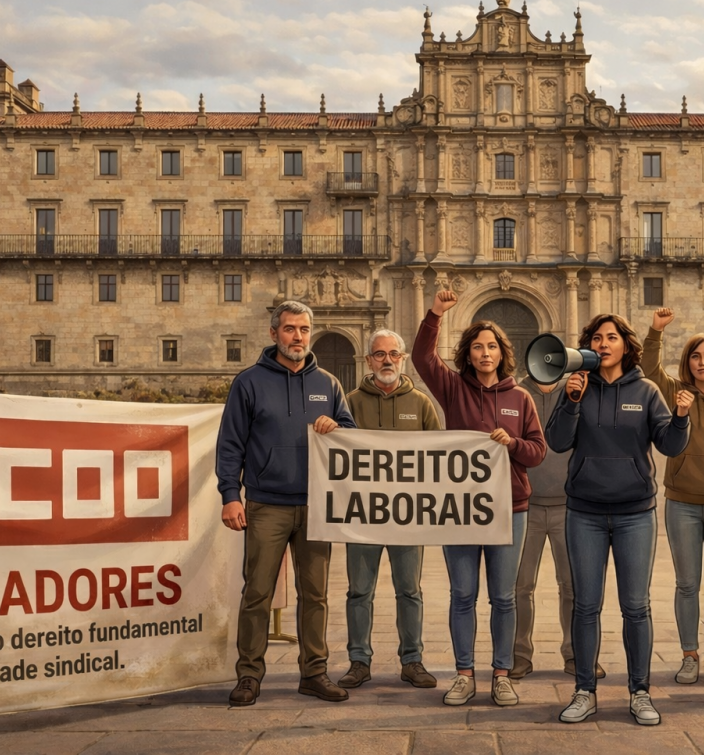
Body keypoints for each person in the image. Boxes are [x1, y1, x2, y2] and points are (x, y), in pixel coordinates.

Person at [549, 313, 690, 726]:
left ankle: (640, 692)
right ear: (589, 346)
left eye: (612, 337)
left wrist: (681, 416)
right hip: (584, 513)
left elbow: (670, 444)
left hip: (635, 514)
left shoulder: (646, 391)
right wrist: (572, 403)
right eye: (597, 337)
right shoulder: (575, 387)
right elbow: (557, 442)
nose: (605, 342)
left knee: (636, 606)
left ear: (627, 346)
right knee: (586, 606)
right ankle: (584, 691)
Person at [216, 300, 357, 707]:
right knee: (257, 592)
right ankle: (249, 675)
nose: (298, 336)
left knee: (315, 596)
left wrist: (338, 426)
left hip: (317, 507)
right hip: (266, 504)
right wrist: (230, 495)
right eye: (290, 328)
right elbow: (230, 445)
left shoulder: (328, 383)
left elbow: (351, 435)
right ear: (274, 333)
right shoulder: (249, 382)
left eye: (304, 329)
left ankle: (314, 672)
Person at [413, 289, 546, 708]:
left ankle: (502, 675)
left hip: (511, 509)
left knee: (504, 597)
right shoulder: (452, 390)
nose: (485, 353)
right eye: (477, 347)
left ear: (503, 354)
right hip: (461, 510)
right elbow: (421, 359)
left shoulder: (520, 398)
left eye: (491, 346)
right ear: (468, 354)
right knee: (463, 595)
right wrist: (435, 314)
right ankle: (465, 673)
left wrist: (512, 445)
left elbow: (538, 452)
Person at [337, 329, 443, 692]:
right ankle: (358, 661)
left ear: (403, 359)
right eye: (379, 354)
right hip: (362, 516)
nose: (387, 361)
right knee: (358, 591)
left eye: (393, 354)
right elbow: (335, 456)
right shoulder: (348, 403)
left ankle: (412, 661)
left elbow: (439, 461)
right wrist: (325, 429)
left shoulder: (423, 404)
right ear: (369, 360)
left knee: (409, 591)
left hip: (408, 518)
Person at [641, 307, 704, 687]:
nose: (703, 362)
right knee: (686, 584)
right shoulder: (672, 391)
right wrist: (655, 332)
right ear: (687, 362)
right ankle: (688, 655)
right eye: (696, 356)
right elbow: (648, 370)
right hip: (681, 501)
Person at [513, 372, 604, 680]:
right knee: (520, 587)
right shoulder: (515, 393)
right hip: (526, 507)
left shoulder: (577, 391)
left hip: (570, 506)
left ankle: (577, 654)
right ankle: (519, 655)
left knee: (573, 586)